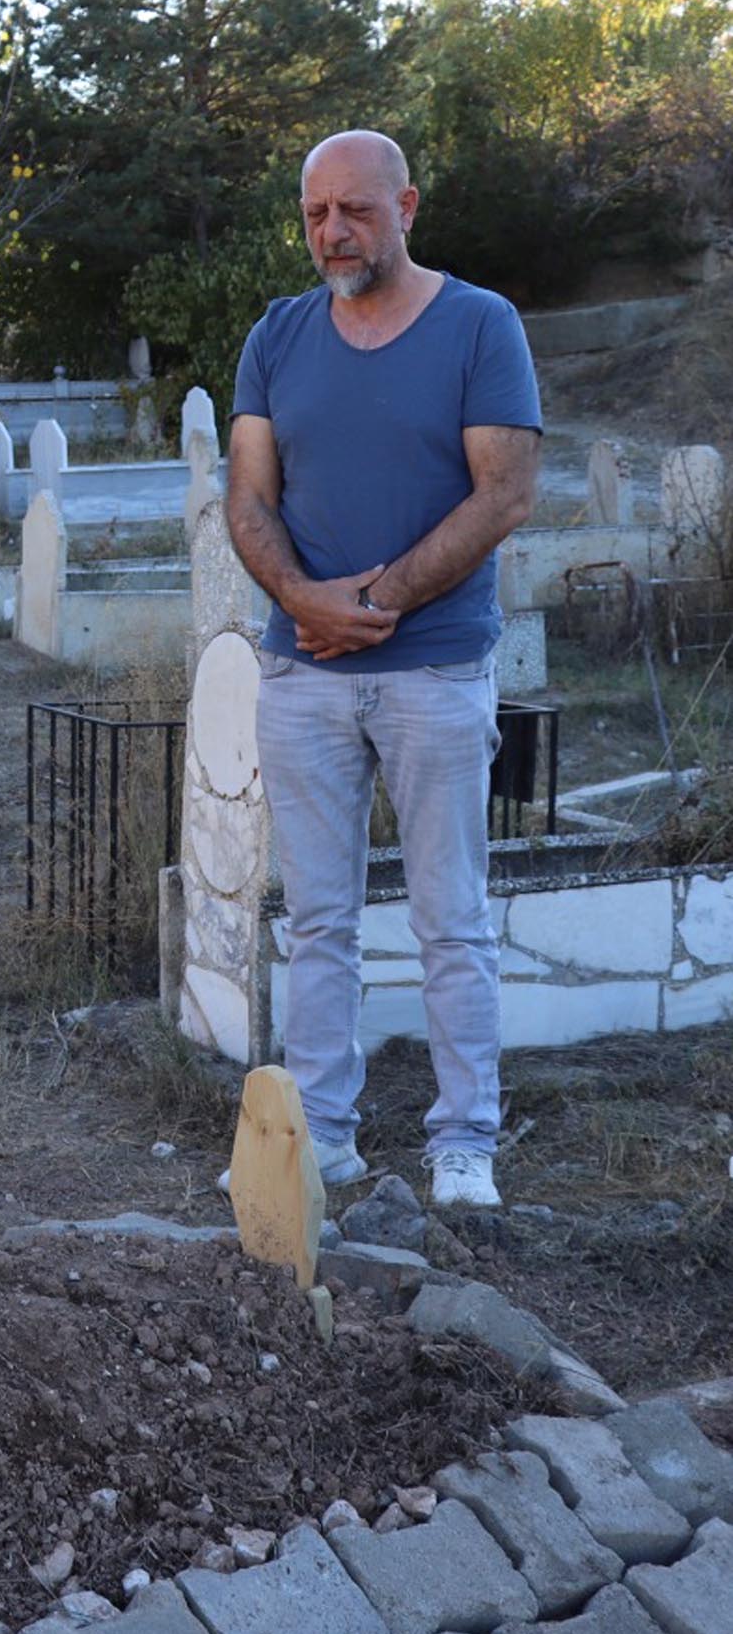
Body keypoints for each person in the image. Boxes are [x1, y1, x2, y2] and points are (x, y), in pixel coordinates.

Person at [224, 130, 542, 1210]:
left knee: (449, 917)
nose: (332, 232)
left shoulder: (479, 326)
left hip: (434, 671)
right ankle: (322, 1140)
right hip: (300, 672)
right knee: (316, 919)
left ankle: (463, 1145)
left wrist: (377, 601)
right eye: (315, 214)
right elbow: (248, 498)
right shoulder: (276, 336)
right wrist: (305, 604)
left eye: (354, 210)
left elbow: (503, 492)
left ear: (405, 204)